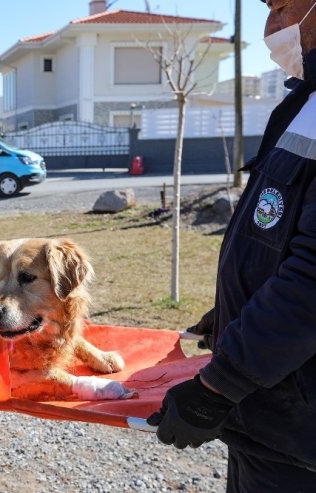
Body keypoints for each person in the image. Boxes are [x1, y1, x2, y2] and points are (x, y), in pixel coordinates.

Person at [147, 0, 316, 491]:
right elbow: (276, 239)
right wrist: (231, 313)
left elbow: (311, 282)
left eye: (283, 7)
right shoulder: (305, 100)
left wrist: (219, 387)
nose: (270, 27)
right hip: (270, 425)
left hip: (300, 440)